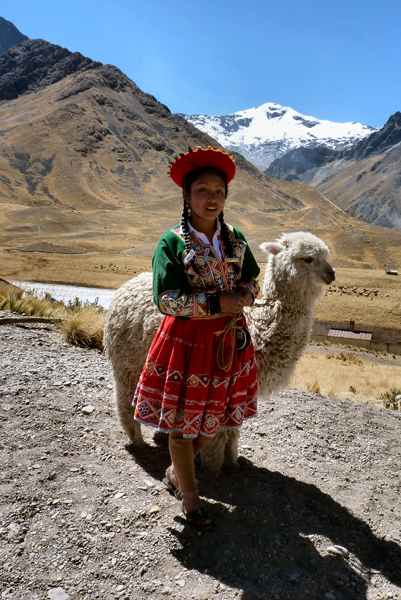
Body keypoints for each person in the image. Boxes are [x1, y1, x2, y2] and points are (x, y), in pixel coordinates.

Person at [132, 146, 260, 530]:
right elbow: (166, 299)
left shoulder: (235, 239)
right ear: (187, 196)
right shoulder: (172, 243)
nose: (212, 198)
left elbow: (252, 278)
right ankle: (190, 497)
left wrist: (247, 295)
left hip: (227, 343)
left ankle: (177, 471)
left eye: (219, 191)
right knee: (183, 424)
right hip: (187, 344)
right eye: (202, 190)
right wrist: (217, 301)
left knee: (215, 419)